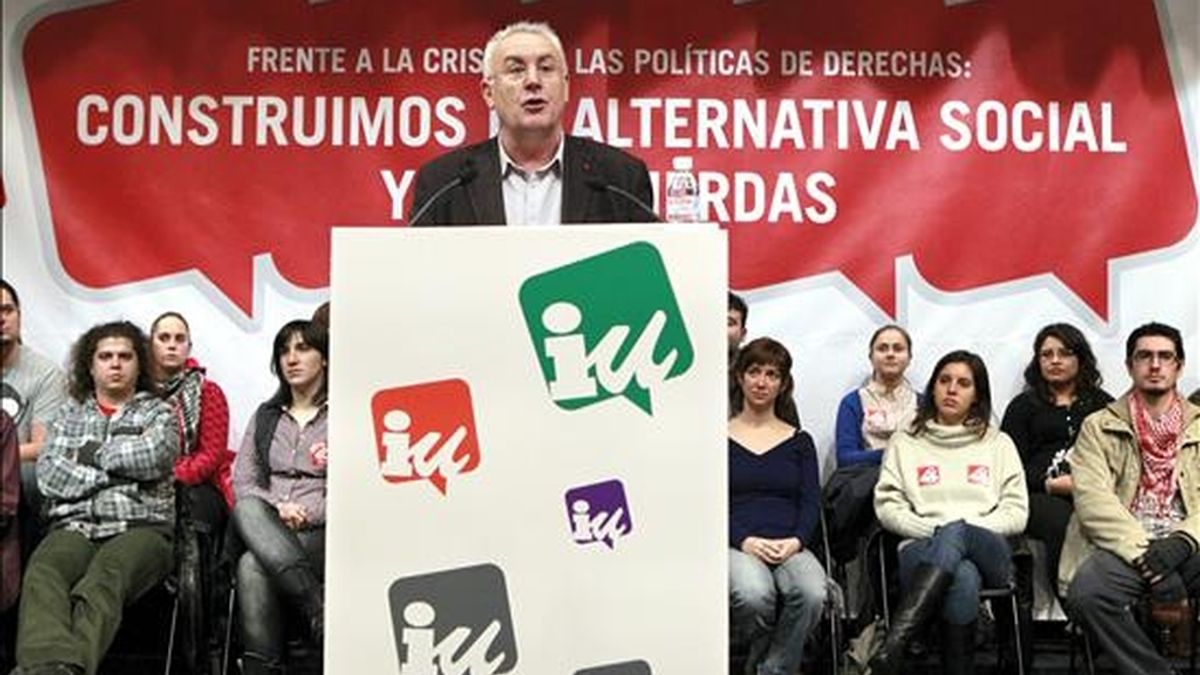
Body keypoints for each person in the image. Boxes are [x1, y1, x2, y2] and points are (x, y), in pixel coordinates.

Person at [13, 321, 178, 675]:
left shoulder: (157, 412)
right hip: (75, 526)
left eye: (124, 356)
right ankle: (52, 667)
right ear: (91, 365)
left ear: (139, 364)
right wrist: (118, 468)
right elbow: (50, 475)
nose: (115, 364)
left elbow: (154, 456)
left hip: (141, 528)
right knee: (43, 572)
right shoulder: (68, 415)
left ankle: (63, 669)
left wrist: (88, 455)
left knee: (104, 578)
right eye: (105, 356)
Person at [870, 350, 1028, 675]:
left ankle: (895, 645)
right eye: (944, 381)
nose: (951, 389)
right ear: (933, 388)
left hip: (989, 545)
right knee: (963, 577)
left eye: (963, 383)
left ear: (977, 395)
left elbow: (1016, 512)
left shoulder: (999, 443)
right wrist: (940, 533)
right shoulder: (905, 442)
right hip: (921, 545)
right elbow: (888, 506)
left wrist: (961, 529)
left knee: (957, 534)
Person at [411, 21, 656, 226]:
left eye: (546, 68)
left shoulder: (620, 179)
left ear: (566, 86)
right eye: (516, 70)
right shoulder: (443, 183)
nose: (533, 81)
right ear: (488, 93)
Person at [1062, 322, 1200, 675]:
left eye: (1164, 356)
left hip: (1188, 543)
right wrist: (1145, 556)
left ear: (1179, 366)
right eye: (1144, 356)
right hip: (1125, 546)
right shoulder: (1098, 424)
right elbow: (1093, 501)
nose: (1155, 365)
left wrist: (1183, 542)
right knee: (1087, 594)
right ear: (1129, 366)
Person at [232, 320, 328, 675]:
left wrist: (308, 513)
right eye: (284, 351)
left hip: (320, 532)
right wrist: (278, 510)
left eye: (303, 349)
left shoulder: (341, 415)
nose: (292, 358)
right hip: (268, 524)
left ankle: (261, 668)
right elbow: (244, 480)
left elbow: (349, 486)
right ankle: (318, 610)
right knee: (247, 506)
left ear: (325, 359)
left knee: (251, 565)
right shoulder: (266, 416)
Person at [728, 337, 826, 675]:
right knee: (755, 595)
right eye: (754, 371)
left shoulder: (800, 440)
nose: (761, 381)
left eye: (772, 374)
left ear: (783, 384)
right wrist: (745, 541)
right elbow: (709, 505)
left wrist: (797, 540)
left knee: (813, 592)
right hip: (737, 544)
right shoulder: (715, 437)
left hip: (790, 544)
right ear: (739, 377)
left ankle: (770, 669)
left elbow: (811, 500)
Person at [1000, 323, 1112, 595]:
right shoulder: (1023, 406)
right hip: (1037, 494)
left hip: (1095, 491)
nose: (1055, 360)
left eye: (1064, 353)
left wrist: (1086, 485)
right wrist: (1050, 485)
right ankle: (1073, 607)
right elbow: (1007, 468)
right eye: (1046, 354)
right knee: (1063, 522)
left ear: (1080, 359)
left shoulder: (1103, 405)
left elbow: (1121, 460)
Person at [1, 280, 68, 543]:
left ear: (19, 316)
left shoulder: (45, 373)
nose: (1, 319)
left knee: (32, 476)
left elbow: (43, 447)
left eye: (7, 310)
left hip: (18, 469)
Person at [834, 324, 918, 468]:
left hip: (914, 484)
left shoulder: (924, 403)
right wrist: (893, 453)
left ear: (909, 357)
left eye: (898, 349)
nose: (890, 354)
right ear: (871, 357)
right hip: (867, 483)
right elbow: (845, 458)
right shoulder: (853, 402)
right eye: (882, 348)